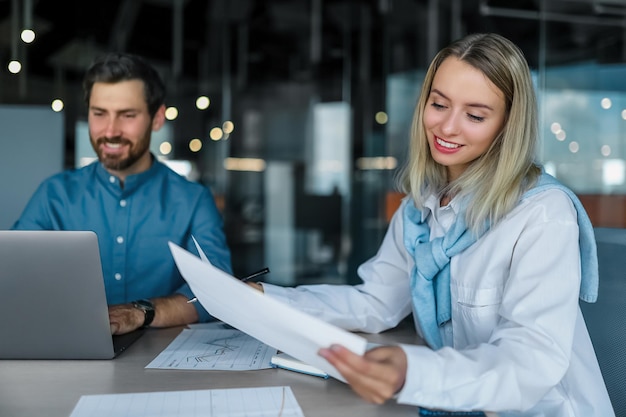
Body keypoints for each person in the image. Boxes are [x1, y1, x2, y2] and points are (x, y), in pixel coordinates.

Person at [251, 33, 614, 416]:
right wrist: (267, 299)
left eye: (475, 115)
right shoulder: (419, 207)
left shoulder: (541, 213)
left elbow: (530, 357)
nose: (447, 127)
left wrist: (415, 372)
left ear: (508, 126)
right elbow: (376, 302)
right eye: (439, 104)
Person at [12, 53, 233, 336]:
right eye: (99, 113)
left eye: (128, 115)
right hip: (68, 352)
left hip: (163, 366)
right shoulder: (54, 195)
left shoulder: (194, 200)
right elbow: (16, 277)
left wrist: (141, 312)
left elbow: (218, 292)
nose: (111, 131)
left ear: (157, 118)